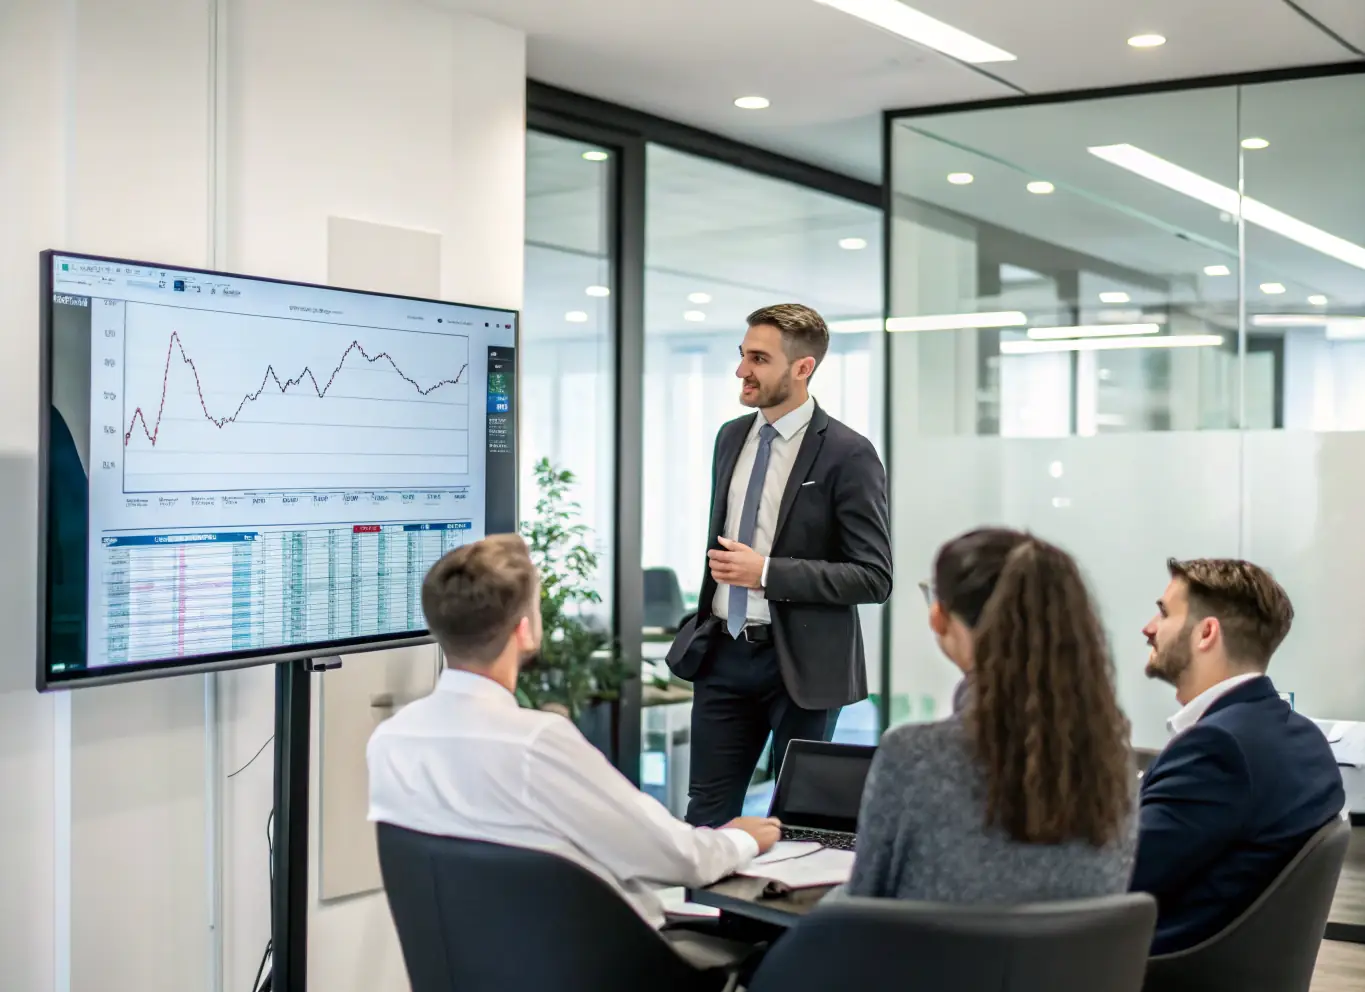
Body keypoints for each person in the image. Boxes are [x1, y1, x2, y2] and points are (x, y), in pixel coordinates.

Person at [367, 533, 781, 930]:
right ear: (525, 630)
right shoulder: (537, 743)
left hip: (488, 972)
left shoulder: (390, 741)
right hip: (600, 972)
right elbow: (678, 858)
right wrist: (740, 839)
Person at [667, 303, 892, 828]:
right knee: (706, 818)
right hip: (723, 653)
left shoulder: (848, 454)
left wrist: (766, 572)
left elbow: (874, 576)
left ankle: (773, 913)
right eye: (743, 355)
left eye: (758, 359)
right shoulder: (730, 437)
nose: (742, 370)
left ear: (802, 368)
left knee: (798, 821)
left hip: (803, 665)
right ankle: (710, 913)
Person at [845, 528, 1136, 903]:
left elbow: (863, 906)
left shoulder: (913, 755)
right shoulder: (1114, 762)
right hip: (1077, 963)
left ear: (940, 617)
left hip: (929, 962)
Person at [1133, 557, 1344, 954]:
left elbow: (1113, 876)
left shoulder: (1218, 749)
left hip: (1148, 985)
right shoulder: (1299, 736)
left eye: (1163, 613)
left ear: (1206, 632)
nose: (1148, 628)